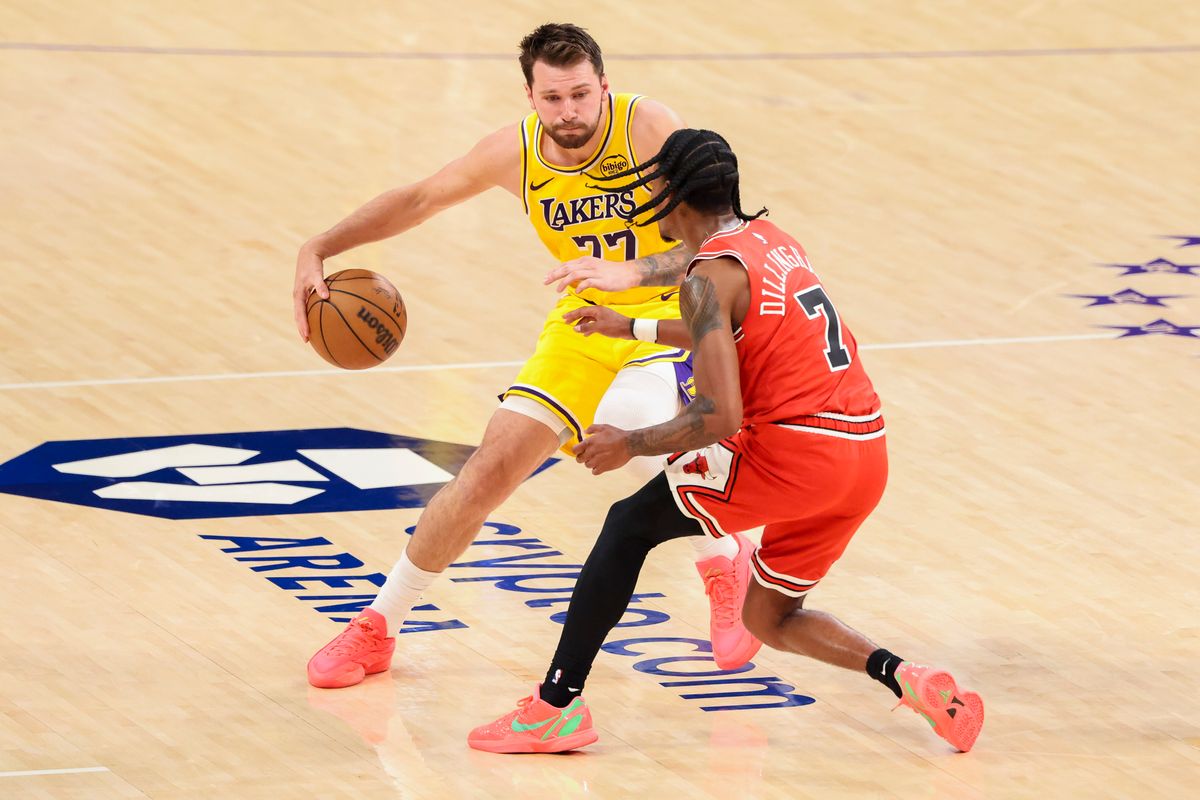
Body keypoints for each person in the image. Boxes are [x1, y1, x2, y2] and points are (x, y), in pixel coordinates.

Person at [468, 129, 985, 754]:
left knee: (628, 525)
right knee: (767, 618)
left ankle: (554, 707)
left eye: (654, 184)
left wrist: (628, 443)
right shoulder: (772, 241)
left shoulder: (705, 277)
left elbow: (721, 415)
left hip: (797, 450)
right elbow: (730, 332)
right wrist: (628, 322)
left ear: (672, 197)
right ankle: (908, 677)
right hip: (865, 455)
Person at [297, 24, 760, 689]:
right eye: (553, 98)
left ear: (604, 85)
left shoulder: (650, 127)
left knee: (649, 423)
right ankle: (380, 623)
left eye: (580, 94)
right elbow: (420, 199)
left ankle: (724, 558)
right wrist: (320, 246)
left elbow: (723, 237)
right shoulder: (511, 154)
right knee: (489, 469)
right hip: (585, 321)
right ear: (530, 96)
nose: (569, 111)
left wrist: (633, 273)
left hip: (681, 313)